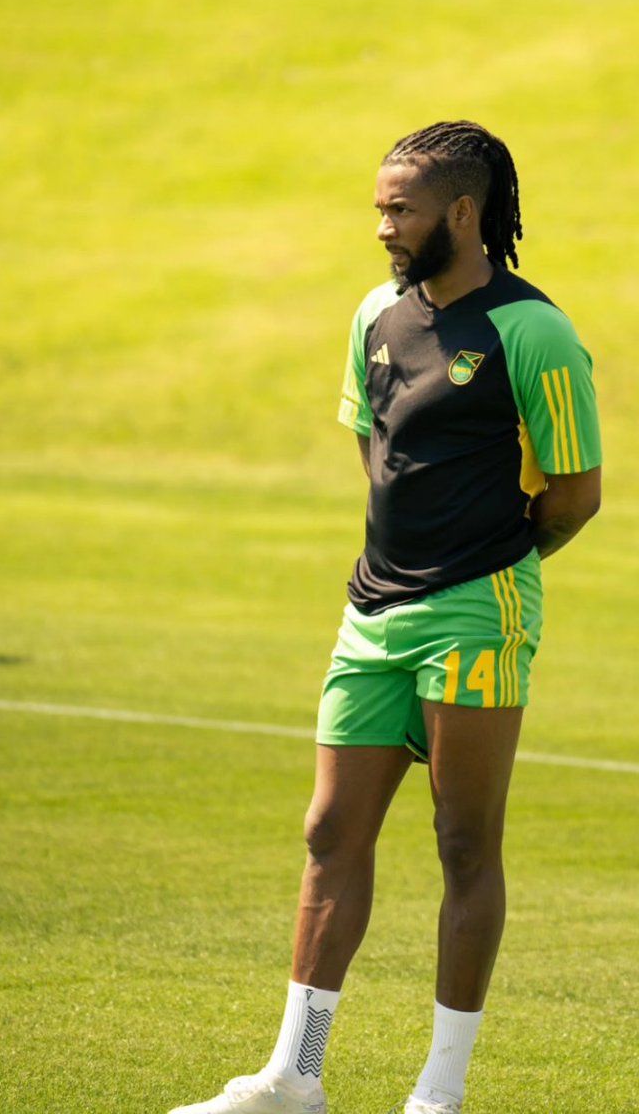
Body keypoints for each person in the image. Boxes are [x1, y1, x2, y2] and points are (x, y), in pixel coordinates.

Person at [169, 120, 602, 1114]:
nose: (382, 228)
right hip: (373, 610)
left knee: (462, 841)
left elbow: (575, 495)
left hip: (478, 610)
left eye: (398, 209)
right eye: (378, 209)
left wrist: (482, 566)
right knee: (330, 831)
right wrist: (406, 565)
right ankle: (296, 1075)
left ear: (461, 211)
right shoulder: (374, 315)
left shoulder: (532, 332)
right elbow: (373, 452)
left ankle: (439, 1094)